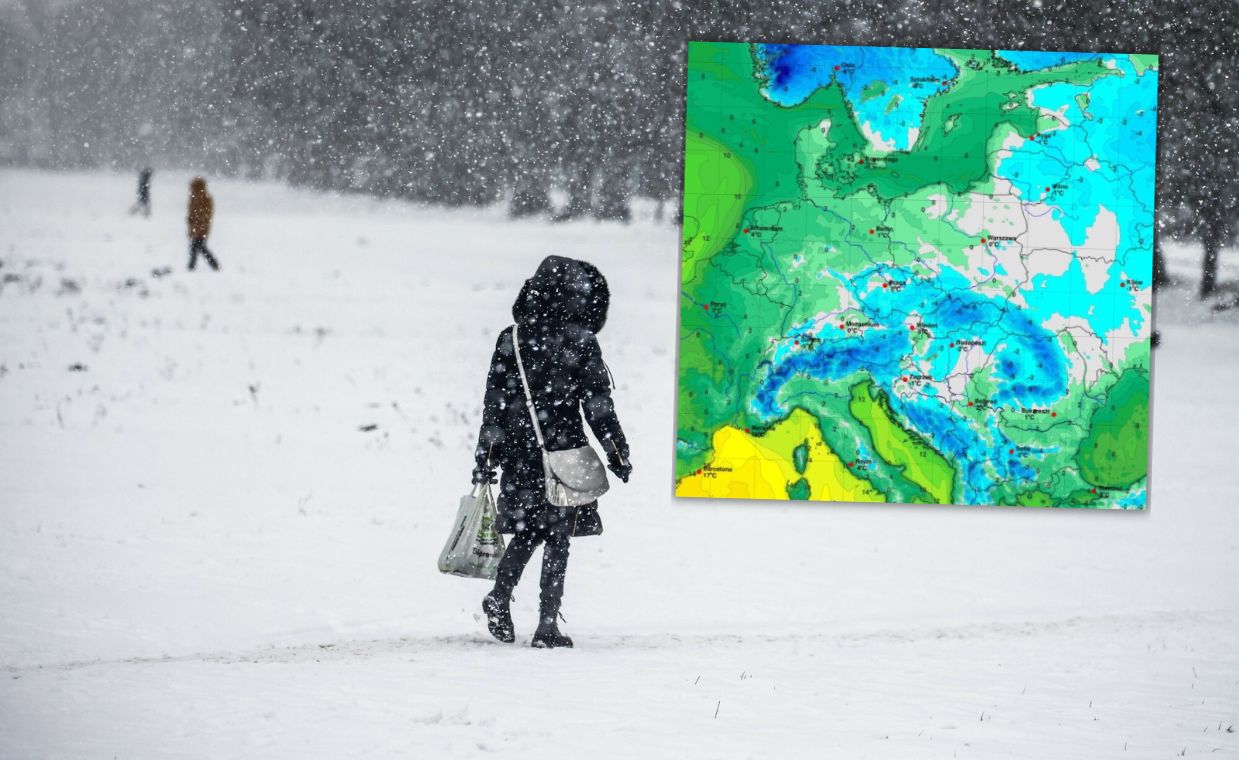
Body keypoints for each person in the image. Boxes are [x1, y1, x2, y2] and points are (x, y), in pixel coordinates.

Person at [472, 255, 631, 649]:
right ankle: (546, 625)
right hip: (564, 452)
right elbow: (598, 404)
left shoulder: (510, 339)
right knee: (558, 535)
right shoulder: (581, 341)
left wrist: (487, 454)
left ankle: (500, 596)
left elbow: (495, 403)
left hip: (521, 453)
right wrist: (616, 450)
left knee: (529, 531)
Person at [186, 177, 219, 271]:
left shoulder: (205, 198)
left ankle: (193, 266)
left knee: (199, 247)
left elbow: (206, 214)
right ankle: (193, 266)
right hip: (195, 226)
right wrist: (191, 225)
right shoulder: (193, 197)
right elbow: (191, 213)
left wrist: (200, 225)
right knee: (197, 247)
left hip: (202, 227)